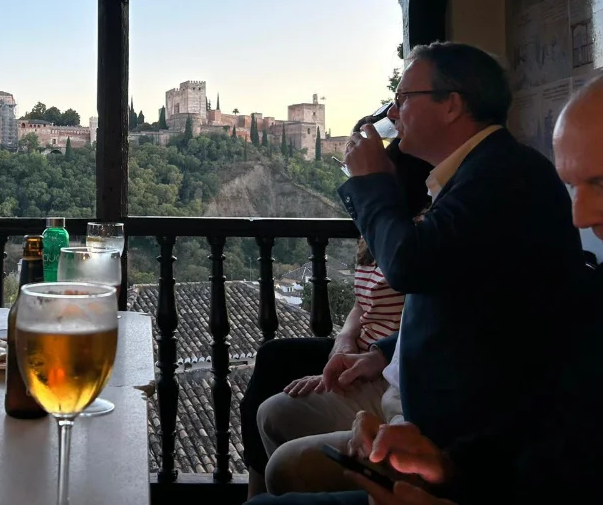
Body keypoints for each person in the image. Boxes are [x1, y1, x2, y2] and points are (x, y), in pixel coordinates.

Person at [244, 47, 594, 505]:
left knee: (285, 467)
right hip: (419, 389)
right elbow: (466, 296)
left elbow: (410, 265)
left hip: (460, 420)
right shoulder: (472, 175)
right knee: (276, 414)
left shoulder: (504, 176)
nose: (394, 112)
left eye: (404, 97)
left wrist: (371, 183)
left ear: (452, 104)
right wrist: (382, 351)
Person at [241, 136, 430, 497]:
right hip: (360, 349)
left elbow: (412, 323)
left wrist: (364, 358)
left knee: (276, 381)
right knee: (272, 358)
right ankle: (258, 490)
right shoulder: (378, 229)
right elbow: (361, 304)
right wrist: (343, 340)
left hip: (379, 361)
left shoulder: (416, 240)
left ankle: (274, 491)